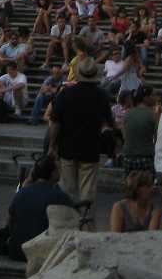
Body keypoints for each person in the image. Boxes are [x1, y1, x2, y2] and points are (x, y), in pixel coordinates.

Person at [48, 57, 113, 216]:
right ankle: (86, 226)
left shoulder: (65, 94)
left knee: (67, 191)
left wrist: (52, 145)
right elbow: (109, 122)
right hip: (90, 149)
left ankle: (66, 225)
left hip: (67, 148)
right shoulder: (102, 95)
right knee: (88, 193)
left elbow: (55, 122)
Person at [4, 155, 73, 260]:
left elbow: (9, 220)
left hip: (17, 251)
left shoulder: (21, 192)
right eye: (58, 169)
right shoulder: (60, 197)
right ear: (53, 173)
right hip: (43, 253)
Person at [121, 86, 157, 173]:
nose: (156, 98)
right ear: (146, 98)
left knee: (130, 185)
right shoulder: (152, 115)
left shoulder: (127, 113)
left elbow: (124, 136)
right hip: (145, 157)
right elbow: (157, 137)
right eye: (153, 95)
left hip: (128, 157)